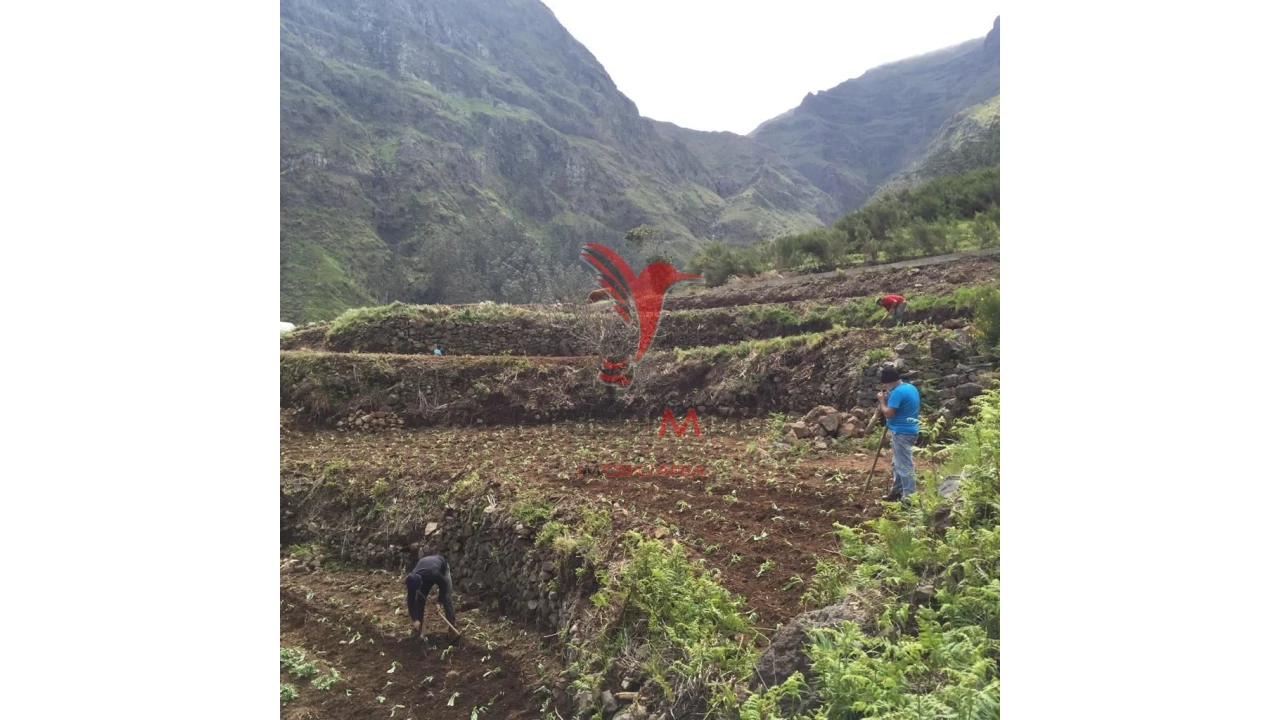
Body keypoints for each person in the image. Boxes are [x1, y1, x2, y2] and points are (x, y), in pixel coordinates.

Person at [876, 366, 920, 503]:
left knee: (904, 466)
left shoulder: (897, 393)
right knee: (897, 464)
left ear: (888, 382)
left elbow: (889, 412)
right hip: (910, 430)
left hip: (902, 433)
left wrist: (882, 401)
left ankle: (909, 499)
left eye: (885, 385)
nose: (885, 387)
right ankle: (897, 491)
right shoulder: (910, 388)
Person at [405, 555, 457, 635]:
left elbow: (443, 586)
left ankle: (453, 630)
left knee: (447, 599)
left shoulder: (434, 574)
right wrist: (414, 619)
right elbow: (410, 600)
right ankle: (417, 630)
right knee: (420, 600)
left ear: (421, 583)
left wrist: (439, 602)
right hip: (427, 568)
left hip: (442, 568)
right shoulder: (412, 578)